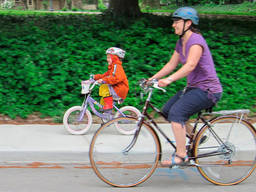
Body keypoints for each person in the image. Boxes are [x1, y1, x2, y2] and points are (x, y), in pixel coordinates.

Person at [149, 7, 222, 167]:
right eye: (174, 22)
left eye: (177, 22)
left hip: (208, 90)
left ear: (188, 23)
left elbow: (190, 65)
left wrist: (169, 80)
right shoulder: (181, 42)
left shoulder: (196, 41)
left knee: (177, 113)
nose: (173, 25)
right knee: (167, 111)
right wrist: (152, 79)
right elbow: (171, 64)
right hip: (194, 88)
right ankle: (196, 137)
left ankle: (181, 156)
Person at [94, 47, 129, 112]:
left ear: (114, 58)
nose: (107, 59)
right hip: (116, 88)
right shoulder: (112, 67)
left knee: (104, 87)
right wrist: (95, 77)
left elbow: (116, 78)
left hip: (120, 89)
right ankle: (105, 110)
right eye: (107, 57)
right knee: (103, 96)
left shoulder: (117, 66)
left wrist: (104, 80)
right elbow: (104, 76)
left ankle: (108, 106)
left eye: (109, 58)